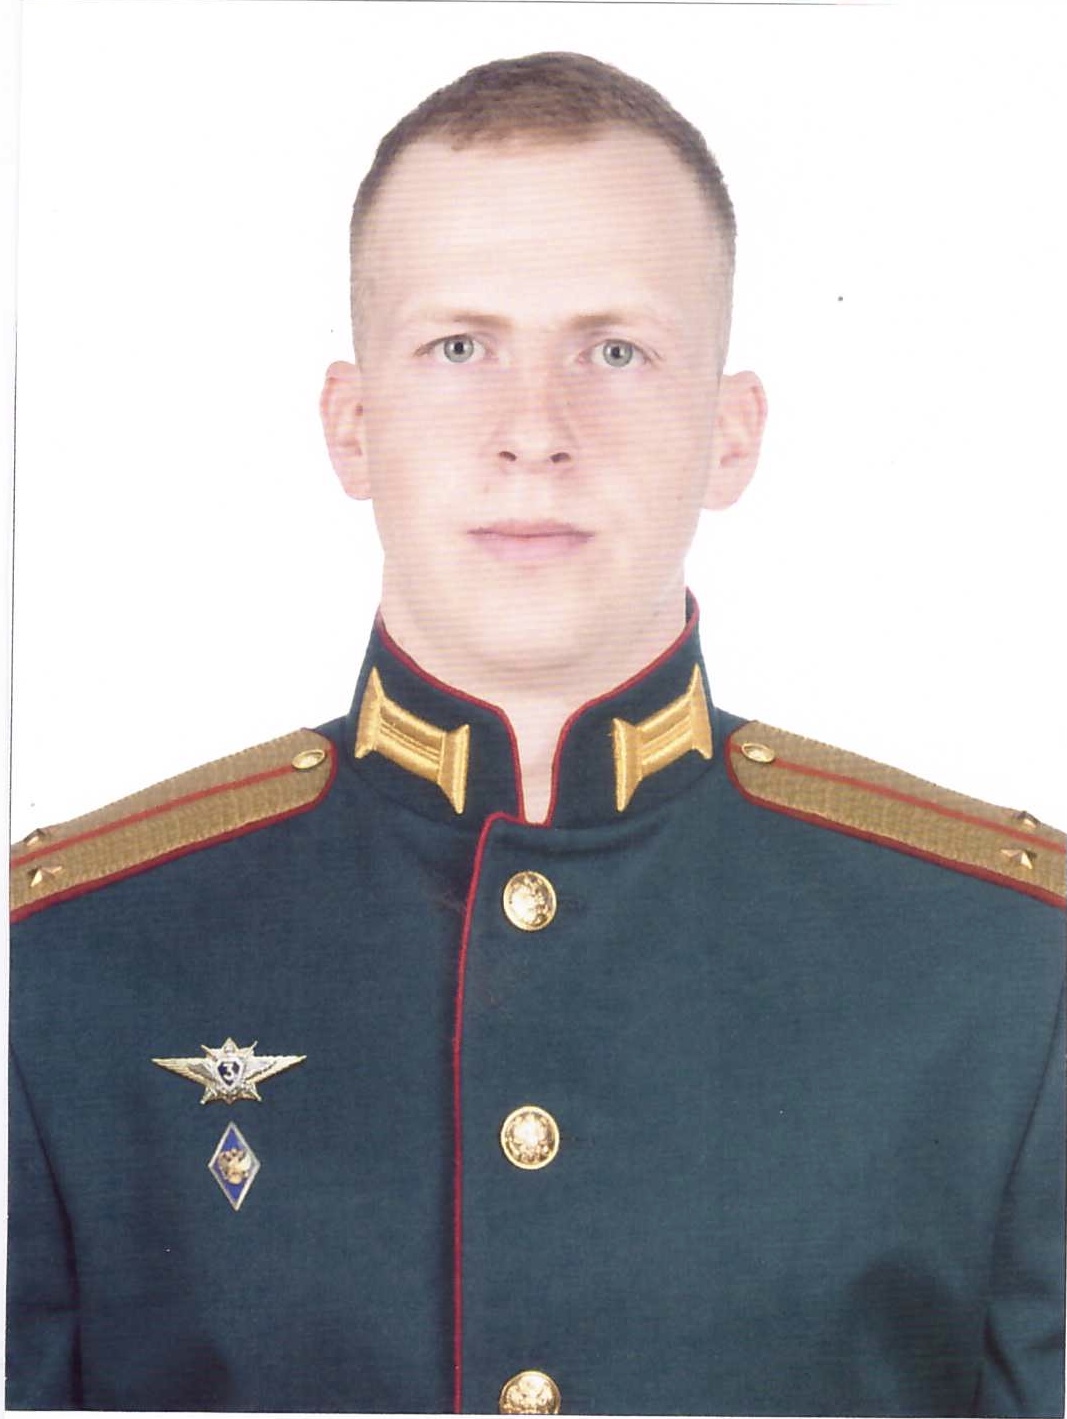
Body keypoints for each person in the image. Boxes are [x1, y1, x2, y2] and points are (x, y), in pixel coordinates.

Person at [7, 51, 1064, 1417]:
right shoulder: (66, 967)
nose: (534, 433)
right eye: (460, 347)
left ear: (730, 433)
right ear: (352, 426)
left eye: (614, 351)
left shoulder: (1006, 973)